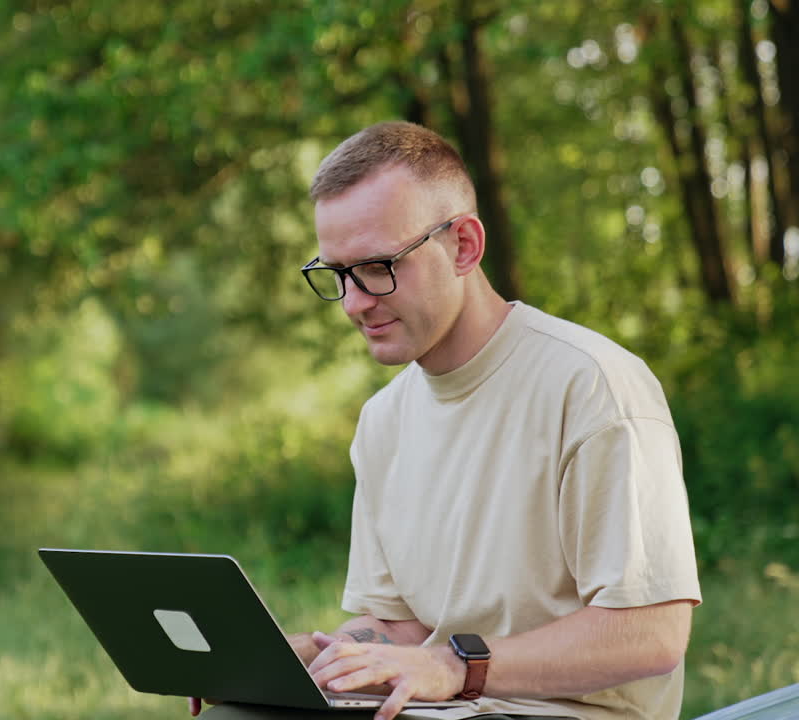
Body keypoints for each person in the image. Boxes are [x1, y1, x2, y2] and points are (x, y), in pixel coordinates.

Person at [199, 121, 701, 720]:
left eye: (379, 265)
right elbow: (403, 626)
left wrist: (454, 667)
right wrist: (321, 655)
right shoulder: (384, 419)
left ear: (463, 245)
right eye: (337, 274)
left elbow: (653, 634)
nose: (355, 302)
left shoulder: (592, 384)